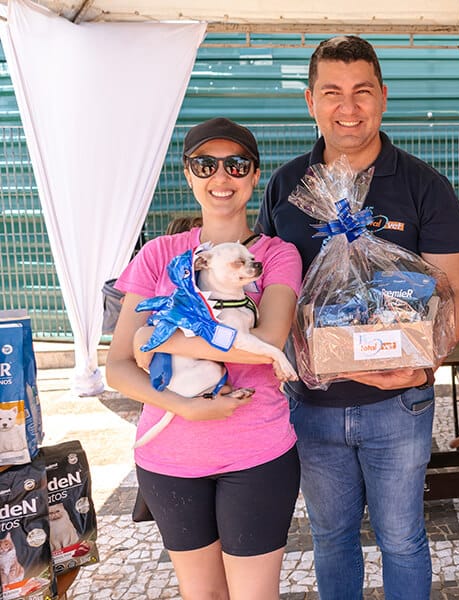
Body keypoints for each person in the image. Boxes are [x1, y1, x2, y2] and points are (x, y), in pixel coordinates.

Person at [256, 36, 459, 599]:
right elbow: (266, 293)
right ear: (310, 101)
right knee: (331, 538)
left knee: (402, 538)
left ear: (383, 97)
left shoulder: (426, 186)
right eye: (332, 92)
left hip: (399, 405)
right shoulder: (287, 187)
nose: (347, 107)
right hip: (313, 406)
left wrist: (420, 366)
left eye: (361, 92)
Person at [106, 117, 302, 600]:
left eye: (236, 165)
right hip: (169, 455)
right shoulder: (159, 255)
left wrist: (161, 338)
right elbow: (117, 367)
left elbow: (268, 340)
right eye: (205, 164)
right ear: (189, 175)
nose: (221, 177)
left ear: (255, 176)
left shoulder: (276, 256)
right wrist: (187, 407)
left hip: (256, 452)